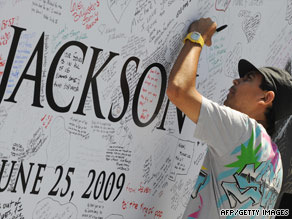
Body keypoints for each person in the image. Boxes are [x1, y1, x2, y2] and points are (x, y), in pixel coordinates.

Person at [167, 18, 292, 218]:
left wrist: (197, 36)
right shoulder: (276, 164)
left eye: (248, 79)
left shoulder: (242, 129)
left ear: (266, 97)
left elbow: (178, 90)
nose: (237, 80)